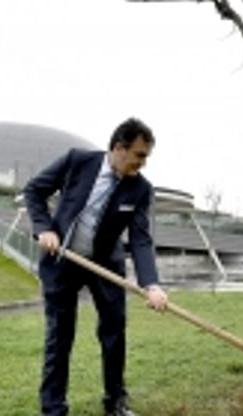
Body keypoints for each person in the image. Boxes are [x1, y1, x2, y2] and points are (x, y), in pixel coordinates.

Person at [23, 117, 168, 416]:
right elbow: (34, 191)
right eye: (139, 155)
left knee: (114, 334)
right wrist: (44, 228)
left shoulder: (141, 189)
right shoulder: (77, 161)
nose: (143, 163)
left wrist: (151, 284)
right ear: (118, 148)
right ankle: (53, 409)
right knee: (60, 337)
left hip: (106, 265)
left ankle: (115, 403)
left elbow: (140, 239)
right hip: (64, 260)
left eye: (146, 157)